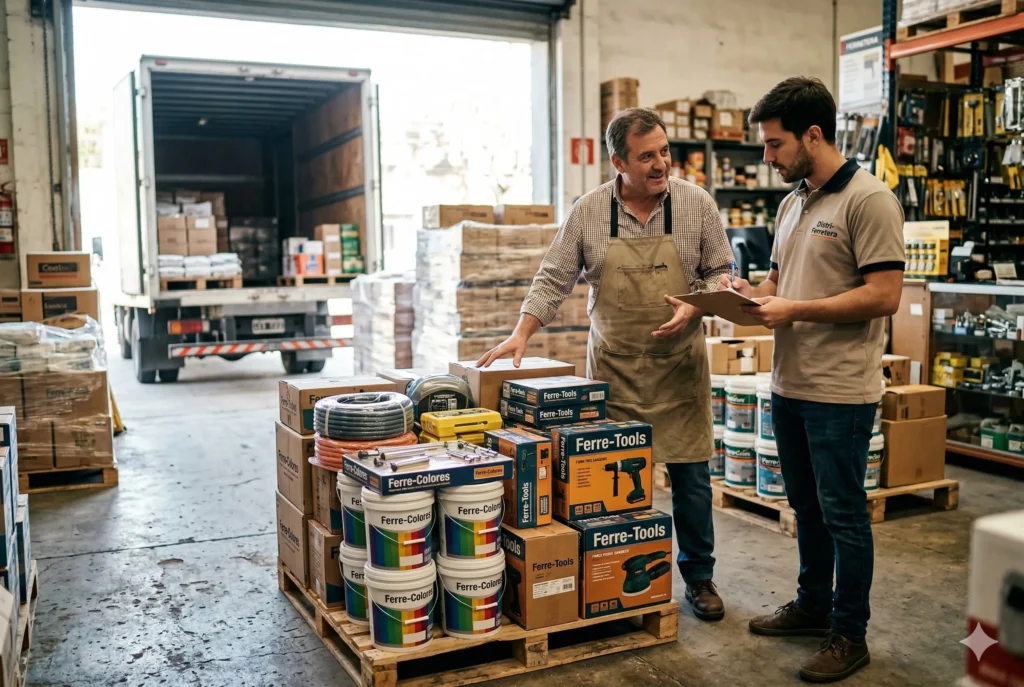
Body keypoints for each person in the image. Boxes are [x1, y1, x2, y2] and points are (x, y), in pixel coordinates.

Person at [477, 108, 735, 621]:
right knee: (611, 482)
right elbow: (554, 277)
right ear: (618, 161)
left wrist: (700, 302)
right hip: (614, 372)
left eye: (664, 151)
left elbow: (720, 271)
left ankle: (699, 576)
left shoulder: (696, 203)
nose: (661, 163)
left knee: (691, 478)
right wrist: (522, 331)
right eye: (647, 156)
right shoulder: (590, 211)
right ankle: (614, 577)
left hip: (680, 367)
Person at [727, 77, 904, 683]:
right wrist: (745, 295)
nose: (768, 158)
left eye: (775, 145)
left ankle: (848, 634)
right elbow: (779, 282)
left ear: (813, 134)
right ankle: (811, 606)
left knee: (844, 515)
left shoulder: (869, 200)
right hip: (789, 385)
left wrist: (794, 309)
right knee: (805, 505)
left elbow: (884, 296)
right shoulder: (791, 201)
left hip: (840, 393)